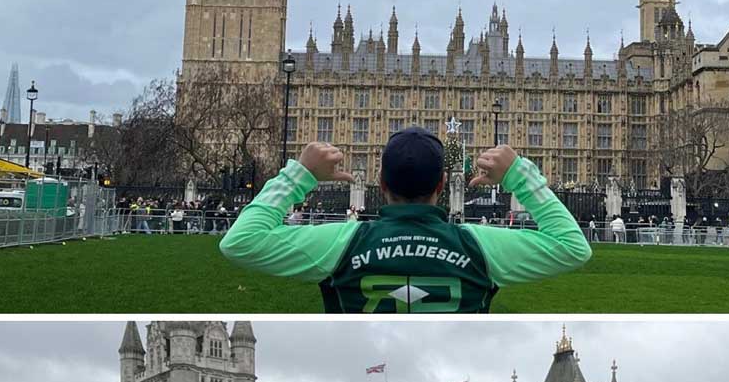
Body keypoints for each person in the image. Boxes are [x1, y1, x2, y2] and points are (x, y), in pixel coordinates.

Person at [220, 131, 591, 313]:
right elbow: (572, 247)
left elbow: (240, 242)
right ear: (443, 185)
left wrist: (299, 173)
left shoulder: (342, 243)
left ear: (380, 184)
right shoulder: (478, 246)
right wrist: (521, 177)